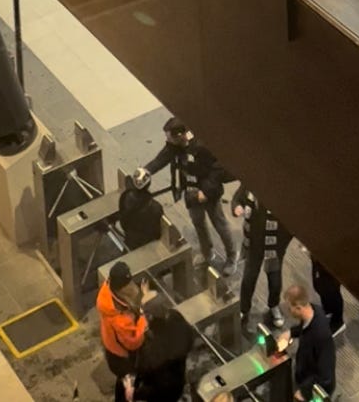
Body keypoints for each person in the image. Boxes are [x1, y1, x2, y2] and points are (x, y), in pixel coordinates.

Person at [146, 119, 234, 267]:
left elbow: (218, 169)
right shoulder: (174, 146)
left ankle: (231, 257)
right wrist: (146, 170)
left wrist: (206, 191)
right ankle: (207, 253)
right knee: (198, 222)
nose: (167, 140)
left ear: (181, 136)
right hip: (191, 191)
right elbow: (161, 159)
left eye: (169, 137)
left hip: (207, 191)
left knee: (219, 223)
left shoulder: (202, 146)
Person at [232, 187, 292, 334]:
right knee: (248, 279)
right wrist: (236, 207)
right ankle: (244, 309)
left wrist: (280, 247)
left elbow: (290, 227)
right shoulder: (250, 185)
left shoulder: (282, 196)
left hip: (273, 248)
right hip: (254, 244)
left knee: (275, 281)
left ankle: (273, 306)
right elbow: (236, 199)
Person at [97, 260, 148, 402]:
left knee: (123, 382)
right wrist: (143, 317)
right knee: (129, 383)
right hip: (122, 357)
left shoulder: (107, 291)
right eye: (127, 285)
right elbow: (134, 342)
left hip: (112, 346)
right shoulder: (119, 319)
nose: (131, 286)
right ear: (120, 289)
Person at [282, 283, 336, 402]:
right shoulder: (312, 311)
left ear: (298, 308)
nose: (288, 311)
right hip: (304, 374)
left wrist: (305, 391)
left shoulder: (321, 335)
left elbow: (325, 375)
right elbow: (304, 328)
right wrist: (290, 332)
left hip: (313, 387)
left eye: (289, 308)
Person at [134, 306, 195, 402]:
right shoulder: (176, 320)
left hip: (162, 391)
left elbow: (142, 371)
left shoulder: (152, 352)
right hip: (177, 382)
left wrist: (135, 394)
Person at [118, 168, 163, 250]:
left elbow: (123, 221)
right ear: (148, 184)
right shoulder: (156, 207)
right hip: (149, 245)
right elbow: (158, 233)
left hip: (129, 240)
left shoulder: (125, 197)